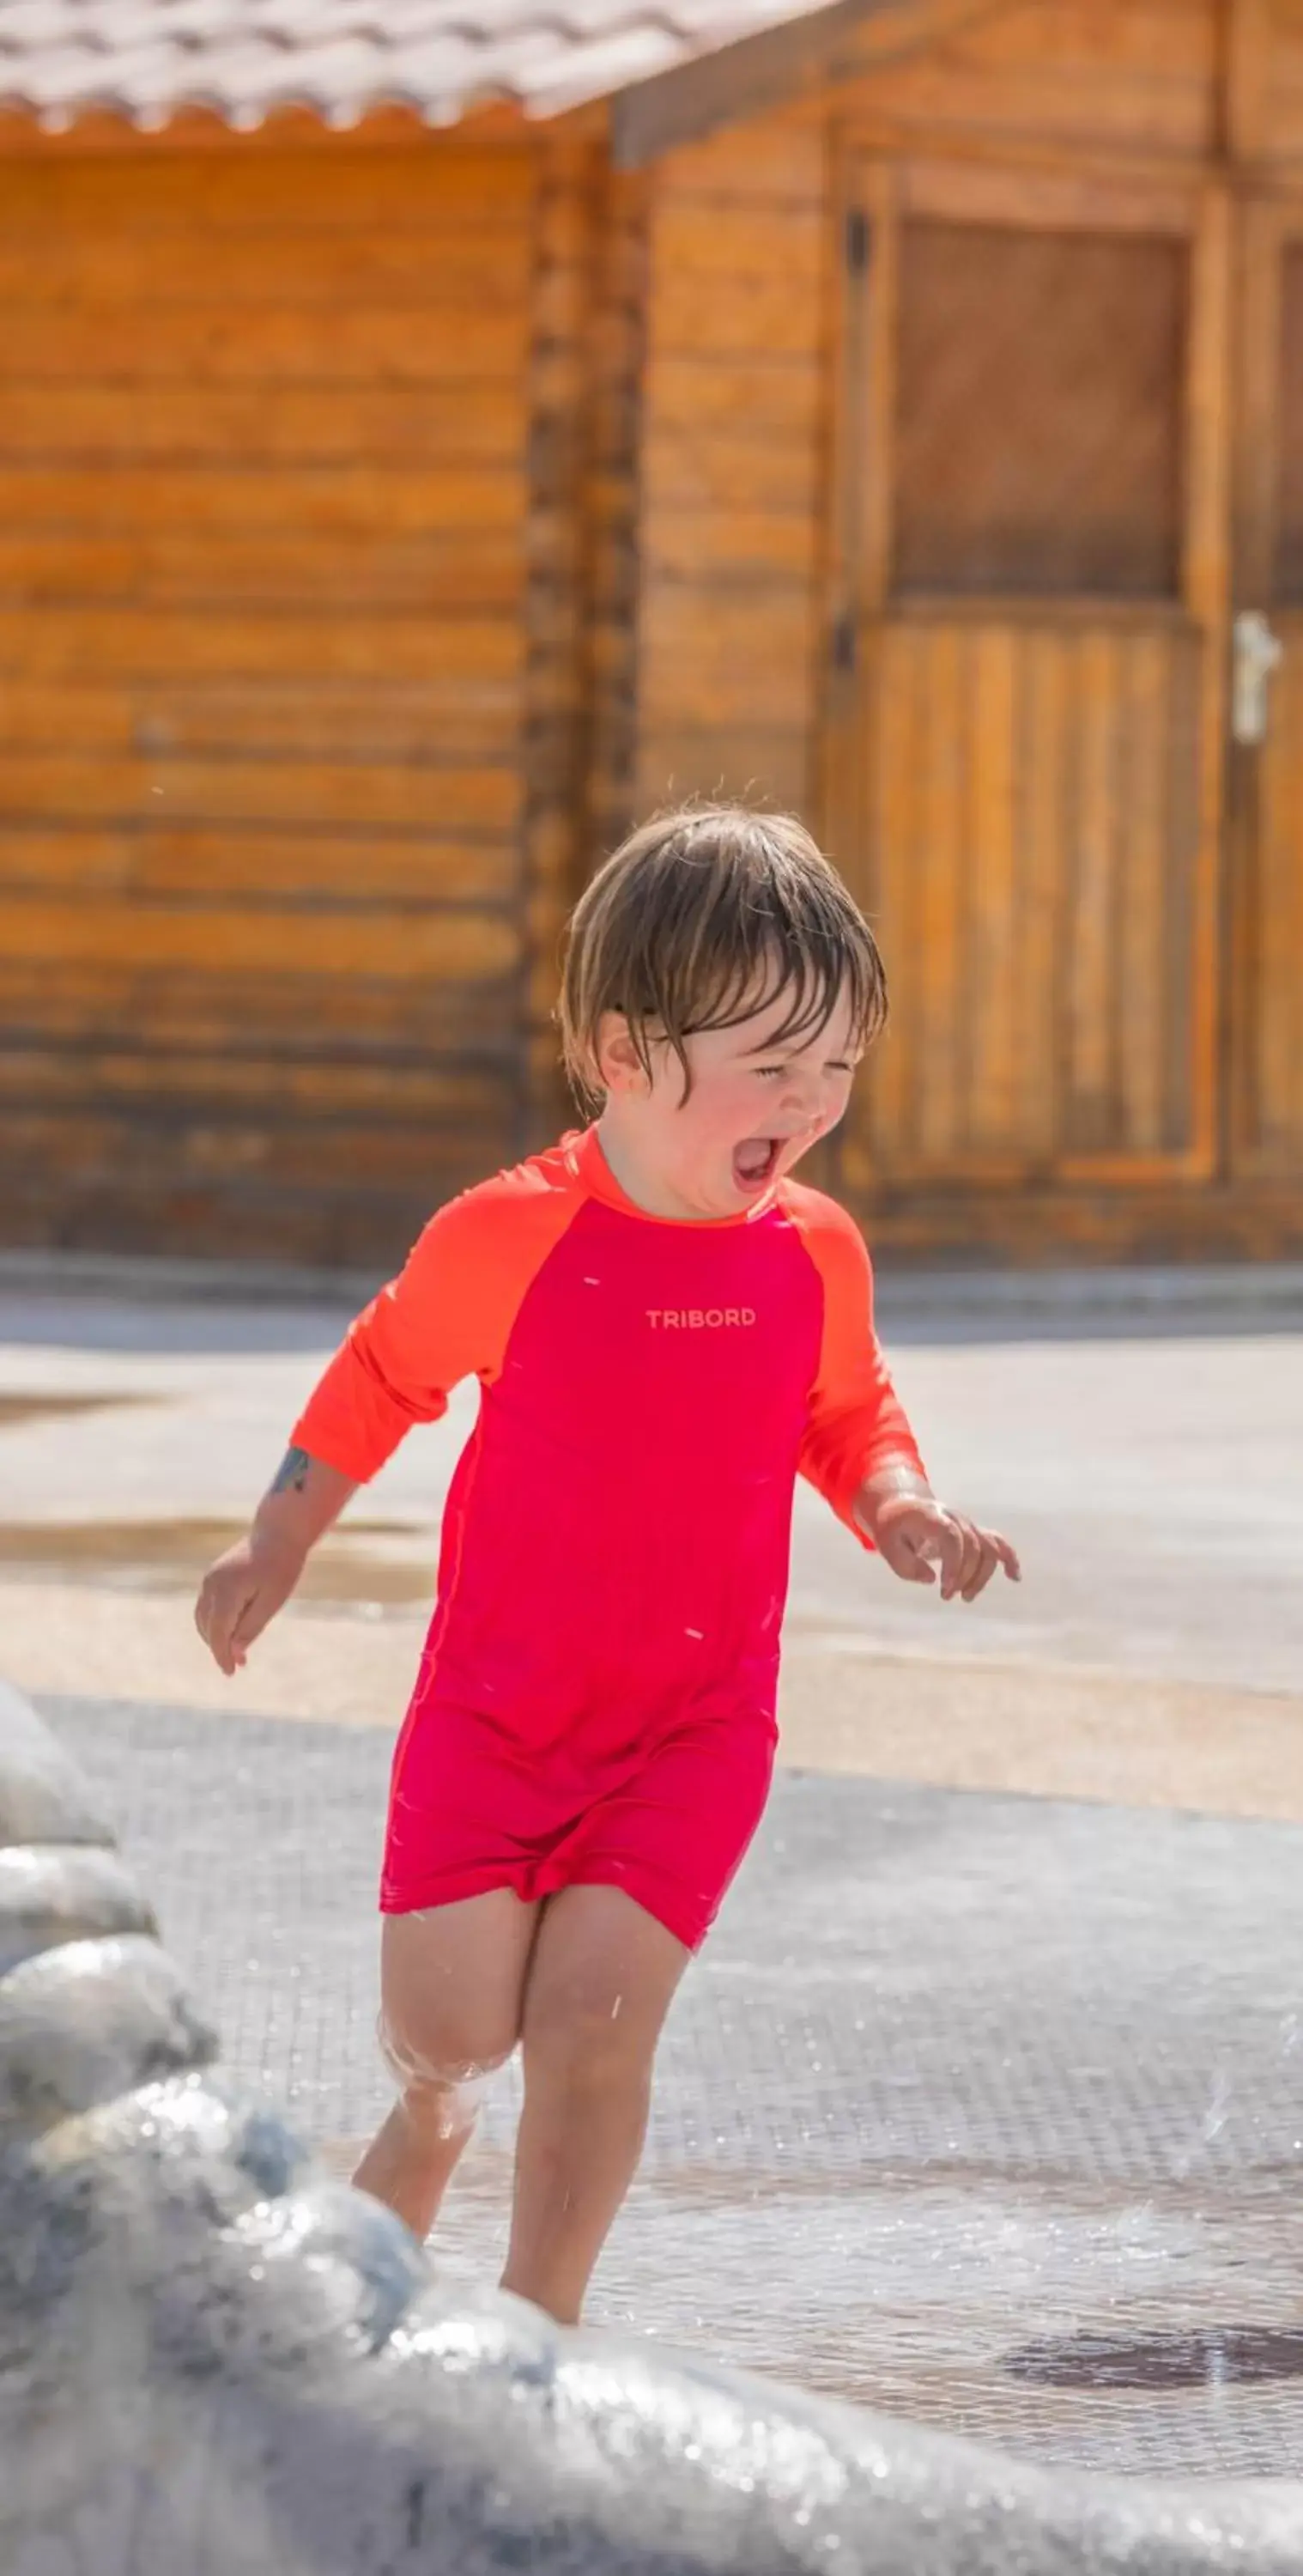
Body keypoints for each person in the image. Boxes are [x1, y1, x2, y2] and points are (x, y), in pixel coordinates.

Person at [195, 804, 1020, 2327]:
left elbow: (843, 1406)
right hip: (494, 1715)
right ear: (628, 1054)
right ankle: (429, 2131)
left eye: (838, 1068)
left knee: (595, 2019)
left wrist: (899, 1505)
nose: (814, 1103)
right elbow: (383, 1374)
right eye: (774, 1069)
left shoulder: (810, 1250)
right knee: (450, 2038)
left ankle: (536, 2336)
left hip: (696, 1721)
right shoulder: (510, 1235)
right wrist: (276, 1538)